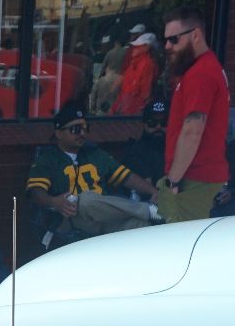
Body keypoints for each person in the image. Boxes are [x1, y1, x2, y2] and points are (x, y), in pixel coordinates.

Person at [26, 103, 161, 249]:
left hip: (104, 217)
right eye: (75, 129)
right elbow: (35, 192)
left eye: (85, 128)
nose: (82, 133)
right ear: (59, 133)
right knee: (85, 199)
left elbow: (126, 177)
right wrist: (54, 202)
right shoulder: (48, 159)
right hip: (70, 219)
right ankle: (147, 210)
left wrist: (153, 191)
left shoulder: (96, 155)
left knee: (142, 226)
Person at [154, 8, 229, 223]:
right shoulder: (205, 68)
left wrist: (173, 182)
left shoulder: (201, 74)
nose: (168, 46)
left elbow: (193, 130)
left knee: (179, 246)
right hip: (196, 176)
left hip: (193, 178)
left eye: (174, 39)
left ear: (195, 35)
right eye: (166, 40)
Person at [115, 100, 168, 197]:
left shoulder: (176, 148)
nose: (159, 127)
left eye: (164, 123)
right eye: (152, 123)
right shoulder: (135, 151)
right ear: (143, 124)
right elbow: (145, 190)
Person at [111, 32, 158, 116]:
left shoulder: (147, 65)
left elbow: (145, 93)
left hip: (133, 114)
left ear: (146, 47)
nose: (133, 49)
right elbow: (123, 91)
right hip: (125, 112)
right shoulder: (132, 65)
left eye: (137, 46)